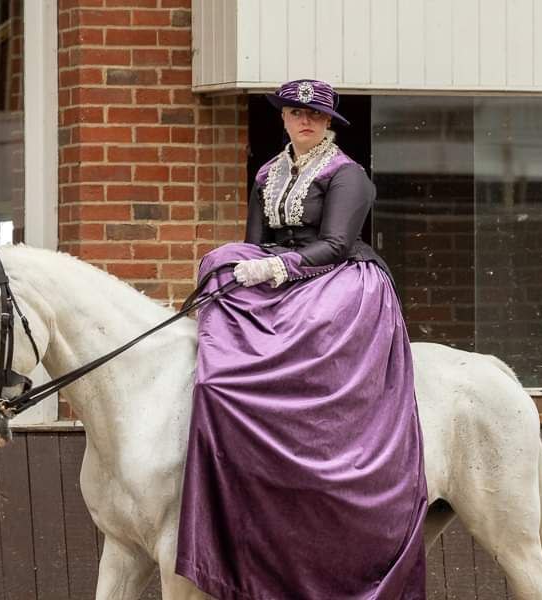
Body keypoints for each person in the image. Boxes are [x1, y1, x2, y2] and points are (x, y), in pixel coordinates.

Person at [175, 79, 428, 599]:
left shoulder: (346, 173)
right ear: (284, 119)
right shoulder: (268, 173)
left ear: (329, 122)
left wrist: (275, 268)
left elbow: (335, 245)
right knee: (223, 260)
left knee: (276, 288)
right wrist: (252, 266)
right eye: (295, 113)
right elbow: (253, 244)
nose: (304, 121)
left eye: (314, 114)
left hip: (339, 277)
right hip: (276, 271)